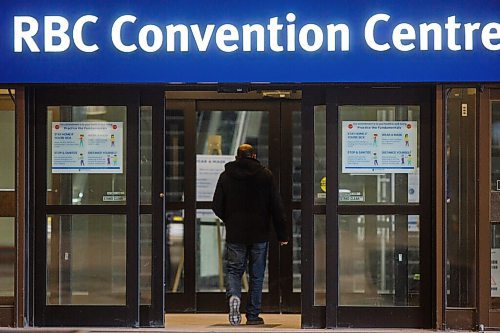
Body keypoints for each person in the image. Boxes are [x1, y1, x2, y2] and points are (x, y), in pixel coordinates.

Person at [212, 143, 288, 326]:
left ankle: (234, 296)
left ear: (237, 157)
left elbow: (216, 205)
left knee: (234, 270)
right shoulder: (265, 175)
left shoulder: (225, 176)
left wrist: (230, 219)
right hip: (260, 233)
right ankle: (253, 315)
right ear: (254, 156)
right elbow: (276, 206)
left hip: (235, 232)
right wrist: (282, 234)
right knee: (257, 274)